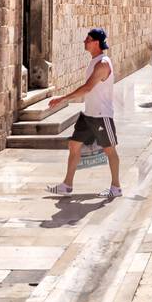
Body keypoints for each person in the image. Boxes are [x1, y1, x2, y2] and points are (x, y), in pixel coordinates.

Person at [46, 27, 121, 199]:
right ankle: (67, 185)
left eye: (87, 40)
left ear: (96, 43)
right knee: (74, 145)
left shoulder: (103, 63)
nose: (84, 42)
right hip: (89, 115)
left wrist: (63, 98)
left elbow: (87, 88)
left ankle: (116, 187)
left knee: (110, 150)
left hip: (102, 115)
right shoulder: (95, 60)